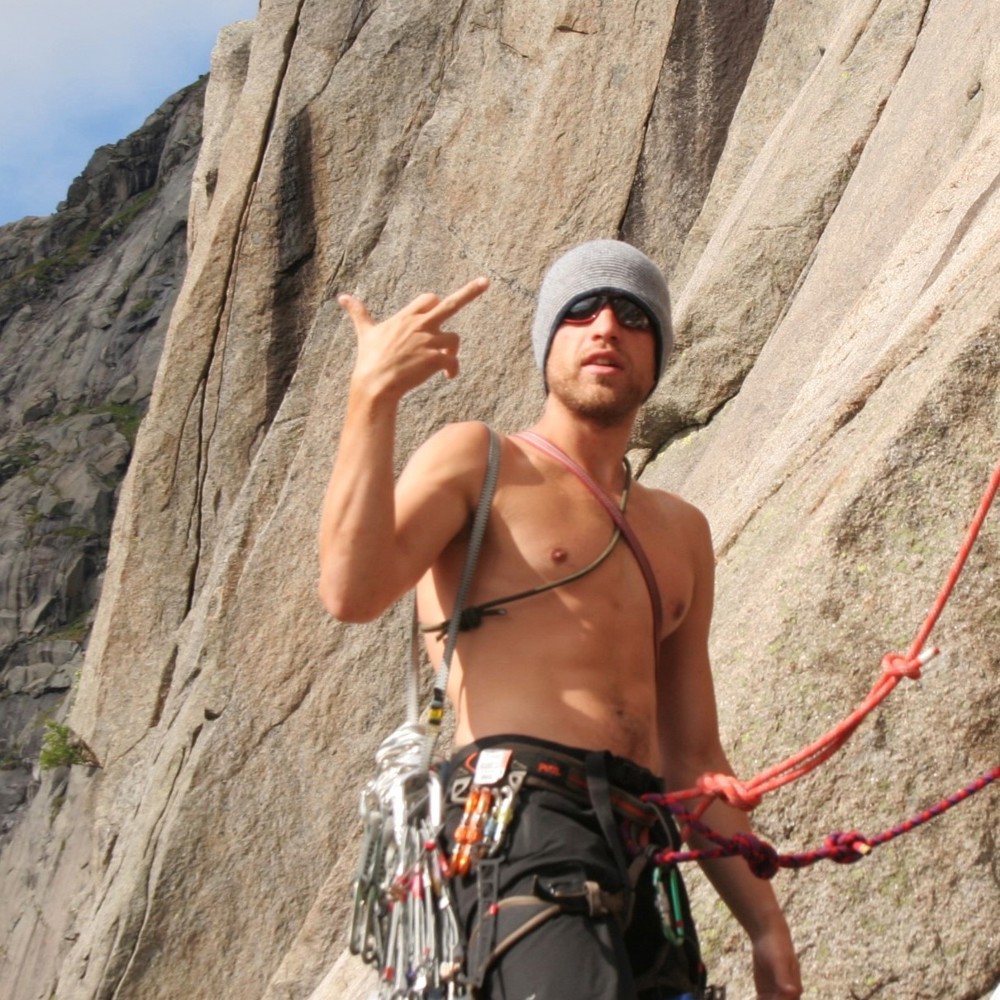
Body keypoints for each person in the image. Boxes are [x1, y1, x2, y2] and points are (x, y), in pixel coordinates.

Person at [318, 240, 802, 999]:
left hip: (642, 851)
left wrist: (766, 926)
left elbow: (696, 756)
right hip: (522, 829)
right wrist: (371, 395)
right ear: (550, 342)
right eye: (581, 310)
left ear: (658, 352)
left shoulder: (682, 533)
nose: (606, 325)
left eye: (633, 315)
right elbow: (351, 590)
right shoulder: (477, 460)